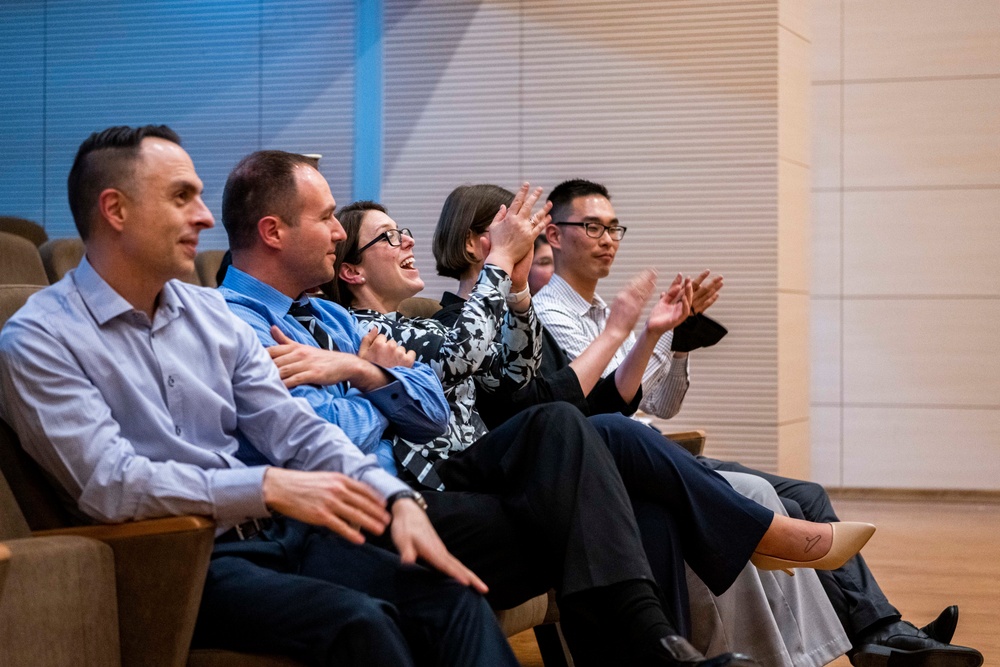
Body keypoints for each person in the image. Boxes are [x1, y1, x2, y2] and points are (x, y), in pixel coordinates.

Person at [0, 125, 517, 667]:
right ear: (115, 210)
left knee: (450, 599)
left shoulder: (207, 315)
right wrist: (267, 485)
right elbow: (111, 484)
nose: (205, 217)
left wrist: (393, 498)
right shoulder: (41, 338)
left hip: (279, 534)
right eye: (181, 197)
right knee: (361, 623)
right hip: (178, 559)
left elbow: (293, 429)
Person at [216, 150, 752, 667]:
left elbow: (447, 400)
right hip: (380, 499)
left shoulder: (330, 318)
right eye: (328, 218)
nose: (337, 231)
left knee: (582, 445)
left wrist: (369, 375)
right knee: (600, 477)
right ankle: (725, 567)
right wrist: (379, 385)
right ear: (274, 232)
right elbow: (324, 433)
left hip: (444, 475)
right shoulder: (259, 323)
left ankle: (662, 640)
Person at [331, 195, 886, 666]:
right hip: (455, 476)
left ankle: (673, 648)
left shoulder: (419, 323)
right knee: (591, 428)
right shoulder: (367, 328)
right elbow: (501, 375)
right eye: (389, 236)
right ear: (352, 270)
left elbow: (520, 377)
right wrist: (615, 326)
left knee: (648, 496)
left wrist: (519, 295)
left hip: (513, 459)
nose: (406, 240)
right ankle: (761, 537)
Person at [532, 178, 984, 667]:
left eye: (614, 228)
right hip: (623, 457)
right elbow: (610, 400)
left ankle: (881, 630)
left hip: (649, 445)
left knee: (808, 495)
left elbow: (661, 404)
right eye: (592, 227)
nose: (607, 239)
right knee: (774, 498)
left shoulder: (605, 312)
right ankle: (864, 635)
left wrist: (678, 342)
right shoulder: (550, 313)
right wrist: (655, 334)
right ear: (554, 235)